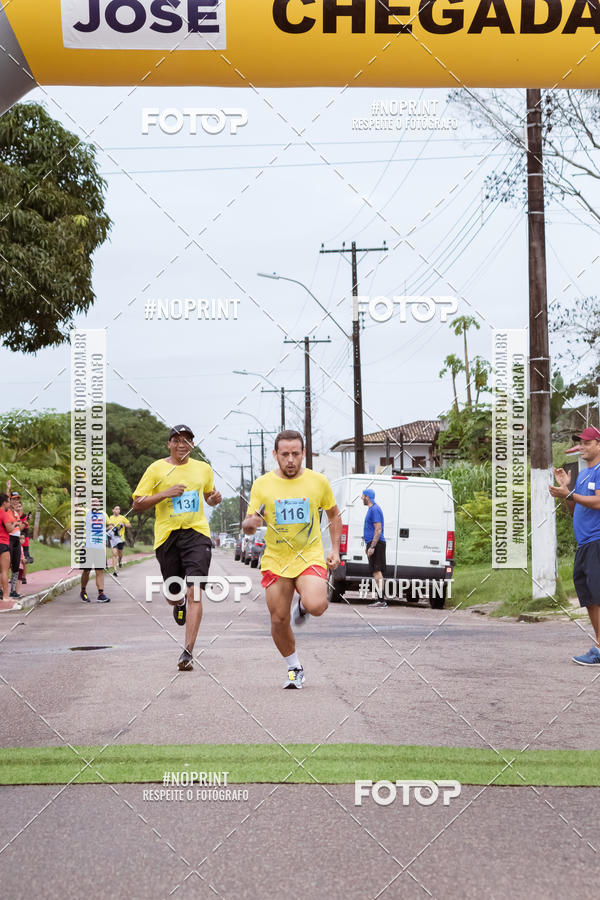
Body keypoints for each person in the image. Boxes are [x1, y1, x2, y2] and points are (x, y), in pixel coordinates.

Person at [242, 430, 341, 690]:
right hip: (276, 559)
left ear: (303, 454)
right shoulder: (262, 484)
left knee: (317, 605)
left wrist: (335, 550)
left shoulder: (318, 482)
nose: (290, 460)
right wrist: (250, 524)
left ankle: (304, 607)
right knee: (278, 620)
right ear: (275, 455)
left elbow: (333, 514)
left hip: (308, 555)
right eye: (284, 454)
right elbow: (251, 521)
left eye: (295, 454)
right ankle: (294, 667)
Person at [133, 424, 222, 672]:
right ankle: (178, 603)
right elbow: (138, 503)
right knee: (173, 594)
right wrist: (164, 494)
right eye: (177, 440)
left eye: (187, 440)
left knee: (196, 591)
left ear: (192, 444)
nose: (182, 444)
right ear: (169, 444)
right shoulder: (156, 468)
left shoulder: (203, 468)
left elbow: (208, 495)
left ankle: (188, 652)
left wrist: (214, 499)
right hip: (167, 537)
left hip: (197, 535)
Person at [550, 426, 600, 665]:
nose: (582, 447)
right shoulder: (583, 475)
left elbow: (599, 502)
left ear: (598, 444)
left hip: (597, 542)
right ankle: (599, 646)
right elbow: (574, 510)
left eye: (587, 443)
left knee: (597, 596)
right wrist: (566, 490)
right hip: (584, 544)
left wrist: (568, 495)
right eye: (580, 443)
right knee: (589, 596)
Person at [80, 498, 111, 604]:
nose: (95, 503)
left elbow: (109, 524)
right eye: (93, 502)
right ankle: (83, 591)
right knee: (86, 571)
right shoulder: (85, 513)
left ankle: (101, 594)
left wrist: (110, 528)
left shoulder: (104, 514)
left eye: (97, 502)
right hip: (87, 546)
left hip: (99, 547)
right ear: (89, 504)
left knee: (99, 571)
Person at [361, 488, 387, 609]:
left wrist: (372, 546)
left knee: (377, 571)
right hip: (372, 542)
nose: (362, 498)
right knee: (375, 571)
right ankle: (379, 599)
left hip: (376, 544)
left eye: (363, 496)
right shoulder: (372, 509)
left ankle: (381, 600)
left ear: (367, 497)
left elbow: (378, 529)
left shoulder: (375, 509)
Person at [0, 493, 22, 611]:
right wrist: (15, 524)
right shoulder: (4, 514)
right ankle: (5, 596)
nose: (9, 504)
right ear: (4, 503)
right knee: (4, 571)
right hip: (3, 543)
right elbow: (9, 529)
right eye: (8, 502)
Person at [106, 505, 131, 575]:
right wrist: (109, 527)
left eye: (119, 509)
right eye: (116, 509)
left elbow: (129, 525)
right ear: (113, 510)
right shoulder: (110, 517)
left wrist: (123, 524)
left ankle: (120, 561)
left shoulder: (122, 517)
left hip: (121, 539)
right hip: (113, 539)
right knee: (114, 554)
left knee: (120, 554)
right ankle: (115, 570)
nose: (117, 510)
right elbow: (109, 526)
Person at [7, 492, 23, 599]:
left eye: (17, 499)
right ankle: (2, 589)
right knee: (6, 565)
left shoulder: (16, 513)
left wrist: (23, 523)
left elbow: (19, 528)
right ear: (10, 500)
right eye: (14, 499)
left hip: (17, 539)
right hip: (9, 539)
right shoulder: (6, 511)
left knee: (16, 565)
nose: (16, 501)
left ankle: (13, 590)